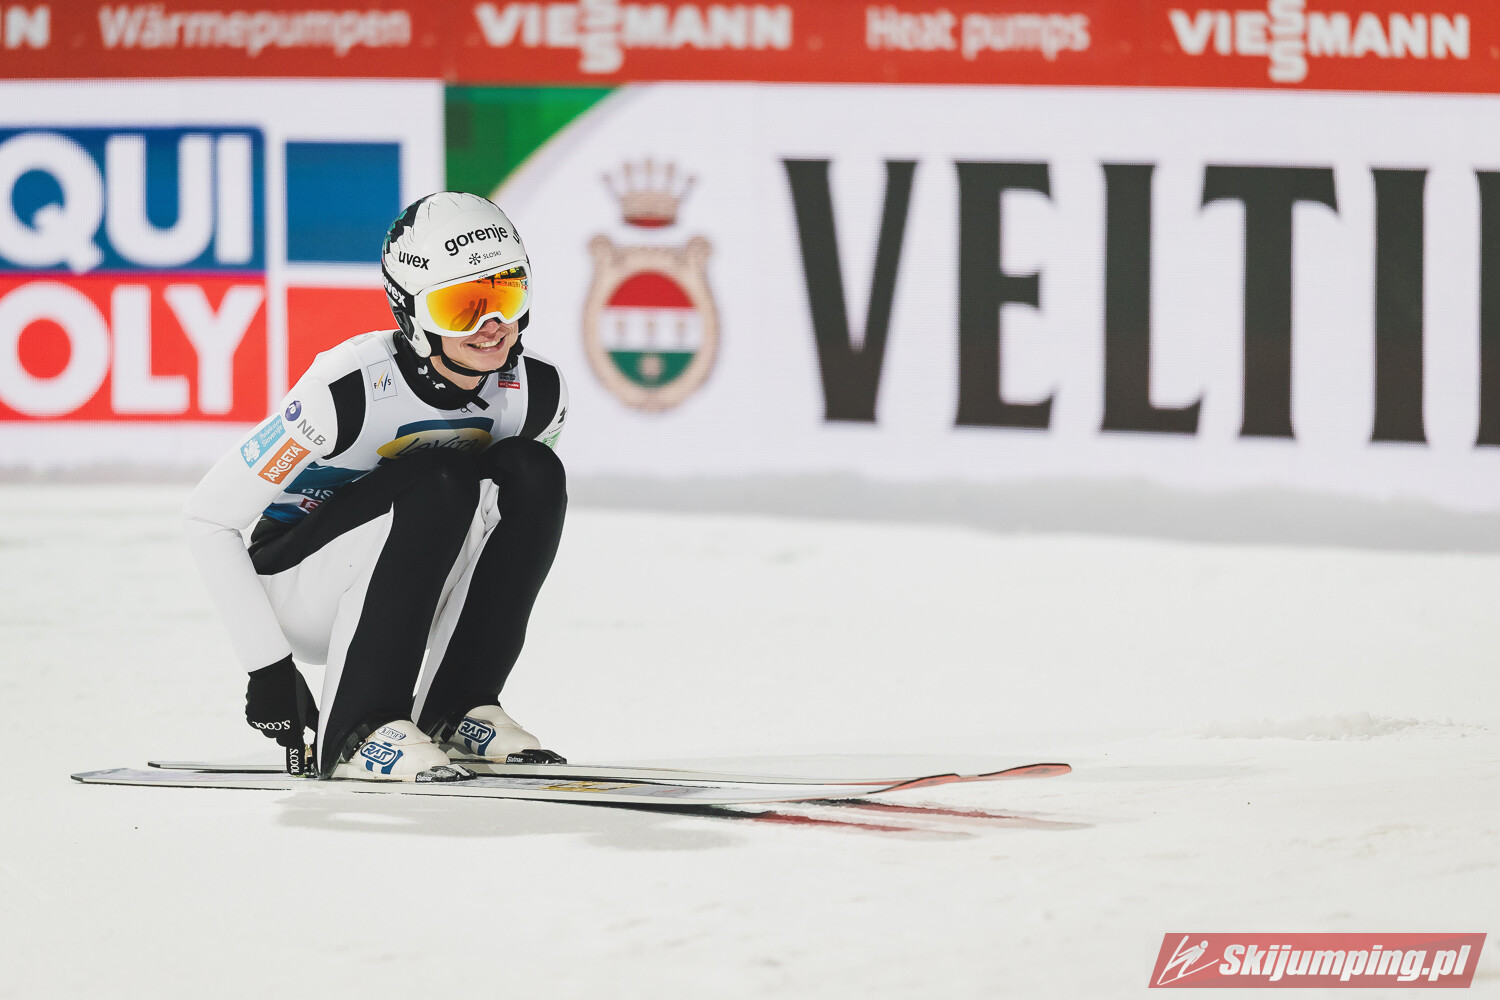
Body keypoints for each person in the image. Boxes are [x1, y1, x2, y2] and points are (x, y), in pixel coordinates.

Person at [183, 192, 568, 781]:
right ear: (410, 313)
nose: (491, 326)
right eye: (462, 307)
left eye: (507, 295)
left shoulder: (539, 390)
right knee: (439, 478)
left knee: (532, 474)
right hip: (300, 586)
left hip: (413, 584)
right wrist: (268, 670)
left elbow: (498, 538)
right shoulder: (347, 388)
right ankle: (360, 729)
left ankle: (457, 708)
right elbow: (208, 517)